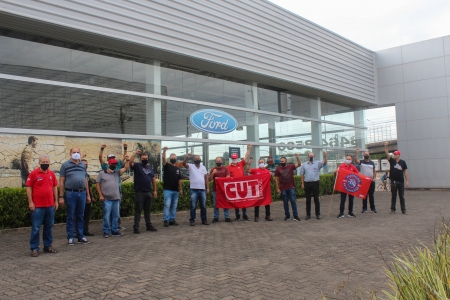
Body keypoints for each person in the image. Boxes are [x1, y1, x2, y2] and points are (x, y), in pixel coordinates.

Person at [26, 154, 59, 257]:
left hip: (50, 206)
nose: (45, 164)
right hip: (38, 207)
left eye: (46, 162)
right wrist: (30, 202)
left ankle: (48, 246)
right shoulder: (33, 174)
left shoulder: (51, 174)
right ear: (39, 163)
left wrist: (56, 201)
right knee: (36, 228)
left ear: (49, 163)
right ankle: (34, 248)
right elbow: (29, 188)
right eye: (43, 162)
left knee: (49, 227)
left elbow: (54, 188)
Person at [59, 147, 91, 245]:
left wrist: (87, 195)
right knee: (71, 216)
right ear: (70, 154)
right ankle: (71, 237)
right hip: (70, 193)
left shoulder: (82, 165)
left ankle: (80, 236)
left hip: (82, 193)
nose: (76, 154)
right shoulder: (65, 165)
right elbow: (61, 181)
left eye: (78, 152)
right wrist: (61, 196)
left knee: (80, 215)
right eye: (74, 152)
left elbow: (85, 180)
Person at [96, 157, 129, 238]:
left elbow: (125, 168)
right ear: (109, 164)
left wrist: (127, 161)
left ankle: (114, 230)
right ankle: (106, 231)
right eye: (112, 164)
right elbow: (97, 184)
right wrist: (100, 195)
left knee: (115, 216)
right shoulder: (101, 173)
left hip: (116, 198)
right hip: (106, 199)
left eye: (115, 164)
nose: (114, 166)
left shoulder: (117, 173)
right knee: (106, 216)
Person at [99, 143, 127, 230]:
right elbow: (100, 158)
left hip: (117, 189)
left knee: (116, 210)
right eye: (110, 158)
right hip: (107, 192)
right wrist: (102, 149)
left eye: (113, 158)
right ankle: (108, 227)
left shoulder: (117, 164)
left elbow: (124, 158)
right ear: (108, 160)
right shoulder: (105, 167)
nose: (112, 160)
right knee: (108, 211)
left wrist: (125, 148)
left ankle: (117, 225)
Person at [129, 150, 158, 233]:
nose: (145, 159)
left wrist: (155, 190)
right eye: (143, 158)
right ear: (140, 159)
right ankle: (136, 227)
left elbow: (153, 179)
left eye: (146, 158)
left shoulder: (149, 168)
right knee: (138, 210)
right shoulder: (137, 166)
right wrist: (134, 154)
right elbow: (131, 162)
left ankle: (148, 225)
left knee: (147, 210)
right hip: (140, 192)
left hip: (148, 192)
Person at [182, 153, 209, 226]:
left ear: (200, 159)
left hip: (202, 189)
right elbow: (184, 163)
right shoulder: (191, 166)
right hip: (194, 189)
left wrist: (208, 188)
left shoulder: (203, 167)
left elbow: (206, 178)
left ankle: (204, 219)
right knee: (193, 206)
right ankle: (192, 220)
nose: (197, 160)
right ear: (193, 160)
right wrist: (187, 157)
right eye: (196, 159)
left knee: (203, 206)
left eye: (198, 158)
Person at [300, 151, 327, 220]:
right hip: (307, 183)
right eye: (310, 156)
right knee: (308, 200)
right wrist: (302, 183)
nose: (311, 157)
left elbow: (324, 163)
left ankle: (318, 214)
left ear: (314, 157)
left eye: (312, 156)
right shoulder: (304, 164)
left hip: (315, 183)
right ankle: (308, 214)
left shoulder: (317, 163)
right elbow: (302, 174)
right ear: (307, 157)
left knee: (316, 199)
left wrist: (325, 156)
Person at [228, 145, 252, 221]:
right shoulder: (228, 167)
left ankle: (245, 215)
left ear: (237, 158)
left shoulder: (241, 164)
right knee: (236, 201)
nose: (234, 159)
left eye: (235, 158)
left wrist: (248, 148)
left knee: (244, 200)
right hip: (234, 186)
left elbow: (246, 156)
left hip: (242, 185)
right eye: (233, 158)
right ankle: (237, 215)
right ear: (231, 158)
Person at [275, 154, 302, 221]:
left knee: (293, 201)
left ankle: (295, 216)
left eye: (283, 161)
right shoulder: (278, 169)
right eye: (281, 161)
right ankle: (287, 216)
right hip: (283, 188)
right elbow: (276, 179)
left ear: (286, 161)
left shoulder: (291, 166)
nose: (282, 162)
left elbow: (299, 164)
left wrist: (297, 157)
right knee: (285, 202)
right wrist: (277, 188)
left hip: (291, 187)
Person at [384, 142, 409, 214]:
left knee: (402, 196)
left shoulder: (403, 162)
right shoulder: (392, 161)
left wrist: (407, 180)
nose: (394, 155)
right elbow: (387, 154)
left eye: (395, 154)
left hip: (401, 181)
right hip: (393, 181)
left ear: (399, 155)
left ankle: (403, 210)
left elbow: (405, 172)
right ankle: (393, 209)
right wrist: (386, 146)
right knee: (393, 196)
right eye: (394, 154)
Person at [162, 147, 183, 227]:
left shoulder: (177, 169)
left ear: (176, 159)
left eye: (174, 158)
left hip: (176, 190)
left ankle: (172, 219)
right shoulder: (167, 166)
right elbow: (163, 159)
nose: (173, 159)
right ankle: (166, 220)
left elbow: (179, 180)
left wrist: (181, 189)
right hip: (168, 190)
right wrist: (164, 151)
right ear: (170, 158)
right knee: (167, 205)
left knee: (174, 206)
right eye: (172, 157)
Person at [248, 158, 273, 222]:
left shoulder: (267, 171)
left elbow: (271, 180)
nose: (261, 163)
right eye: (260, 162)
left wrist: (271, 175)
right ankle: (256, 216)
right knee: (257, 203)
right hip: (258, 189)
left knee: (267, 202)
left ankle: (268, 215)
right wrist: (249, 164)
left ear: (264, 163)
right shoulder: (256, 170)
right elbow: (248, 170)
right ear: (258, 164)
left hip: (266, 189)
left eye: (262, 162)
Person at [209, 156, 232, 223]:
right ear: (215, 162)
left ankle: (227, 217)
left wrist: (219, 179)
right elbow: (209, 179)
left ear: (222, 161)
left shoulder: (225, 169)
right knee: (216, 204)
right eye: (217, 161)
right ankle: (216, 217)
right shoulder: (213, 169)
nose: (218, 162)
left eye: (219, 161)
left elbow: (228, 177)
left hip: (224, 190)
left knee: (225, 203)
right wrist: (213, 173)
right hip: (215, 190)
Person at [354, 148, 377, 213]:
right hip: (364, 181)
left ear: (369, 155)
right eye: (365, 154)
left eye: (367, 154)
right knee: (364, 195)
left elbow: (374, 171)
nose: (366, 155)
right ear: (364, 155)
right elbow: (355, 160)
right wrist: (357, 152)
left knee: (371, 195)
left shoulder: (372, 162)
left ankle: (373, 208)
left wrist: (374, 178)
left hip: (371, 181)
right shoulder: (361, 162)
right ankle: (364, 208)